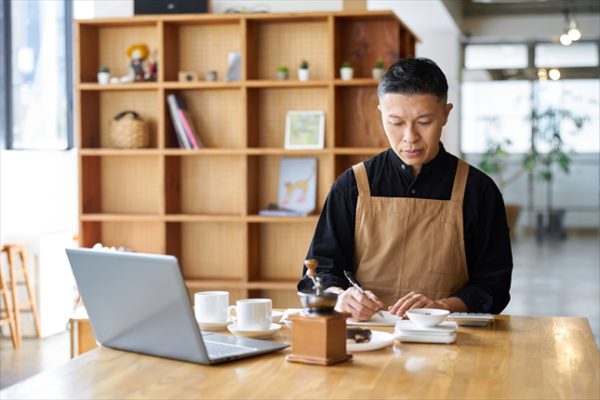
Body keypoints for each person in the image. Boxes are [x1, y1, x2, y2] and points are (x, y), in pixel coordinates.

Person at [297, 57, 513, 321]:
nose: (410, 137)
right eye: (396, 123)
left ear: (446, 114)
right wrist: (340, 295)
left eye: (424, 122)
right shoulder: (352, 185)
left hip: (449, 338)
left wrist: (442, 306)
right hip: (368, 337)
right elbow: (319, 269)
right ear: (380, 113)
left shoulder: (479, 190)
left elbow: (495, 286)